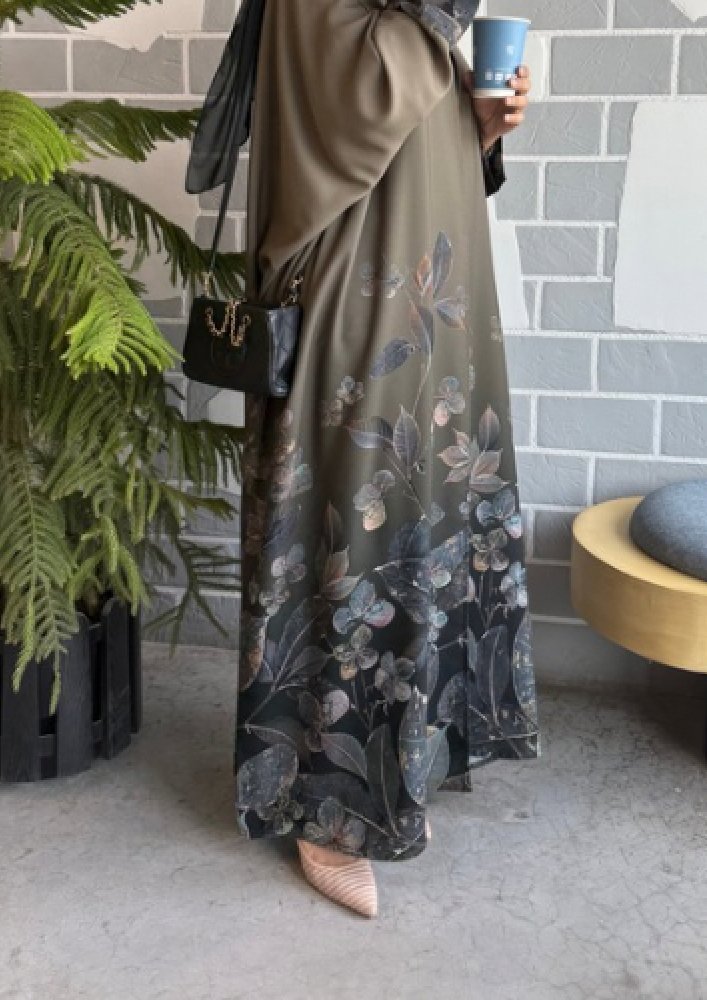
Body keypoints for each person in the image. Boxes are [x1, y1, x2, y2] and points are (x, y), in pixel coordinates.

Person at [233, 0, 539, 918]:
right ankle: (327, 807)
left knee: (427, 500)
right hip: (357, 284)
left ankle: (404, 757)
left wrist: (482, 126)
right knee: (356, 512)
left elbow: (416, 110)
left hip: (434, 277)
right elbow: (350, 97)